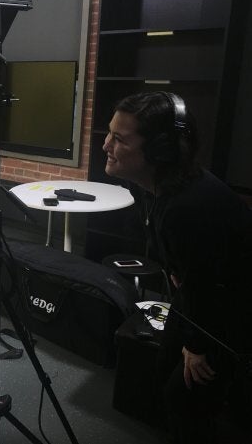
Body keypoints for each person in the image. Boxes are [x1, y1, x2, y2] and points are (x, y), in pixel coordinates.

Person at [103, 91, 252, 443]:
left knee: (183, 396)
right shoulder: (165, 188)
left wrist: (198, 346)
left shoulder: (185, 206)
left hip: (231, 312)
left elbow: (209, 285)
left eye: (119, 139)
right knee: (164, 364)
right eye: (110, 133)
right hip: (200, 296)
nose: (106, 144)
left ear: (159, 152)